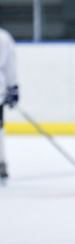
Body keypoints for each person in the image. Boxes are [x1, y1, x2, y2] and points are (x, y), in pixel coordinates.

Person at [0, 27, 19, 185]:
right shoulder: (3, 37)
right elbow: (10, 66)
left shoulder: (3, 37)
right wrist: (12, 88)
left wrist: (12, 87)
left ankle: (1, 163)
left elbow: (9, 65)